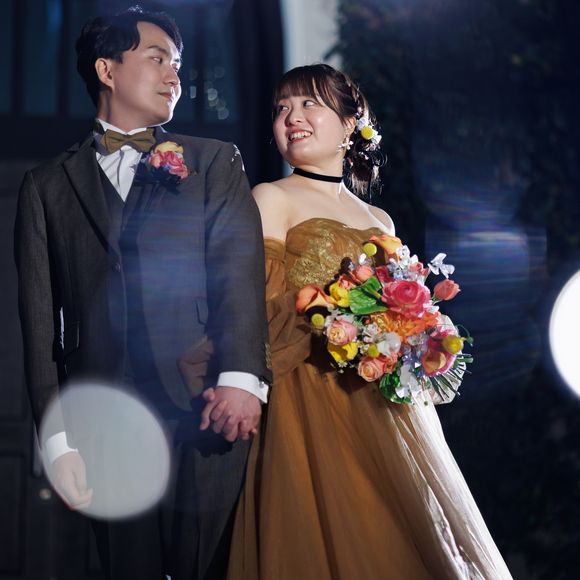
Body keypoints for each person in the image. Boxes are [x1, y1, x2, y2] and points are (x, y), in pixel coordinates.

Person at [222, 64, 513, 579]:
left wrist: (414, 333)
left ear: (349, 122)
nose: (292, 117)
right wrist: (334, 316)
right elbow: (250, 305)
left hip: (385, 406)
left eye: (309, 104)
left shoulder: (381, 220)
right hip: (308, 395)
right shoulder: (271, 196)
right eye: (281, 108)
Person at [14, 6, 271, 580]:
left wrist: (240, 379)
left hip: (204, 406)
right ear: (107, 70)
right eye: (158, 59)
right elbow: (40, 327)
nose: (175, 75)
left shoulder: (212, 162)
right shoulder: (46, 186)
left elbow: (237, 272)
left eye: (177, 64)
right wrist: (57, 444)